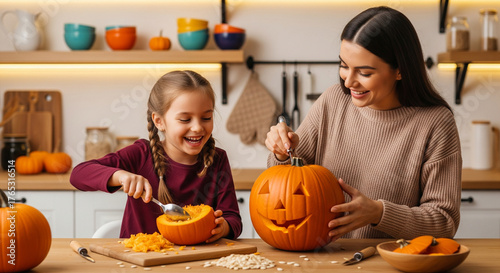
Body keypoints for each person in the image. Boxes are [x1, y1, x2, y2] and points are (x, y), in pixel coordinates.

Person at [265, 6, 461, 241]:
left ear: (399, 70)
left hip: (390, 262)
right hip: (324, 259)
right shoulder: (332, 101)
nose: (348, 82)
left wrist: (379, 213)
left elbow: (444, 223)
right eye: (344, 66)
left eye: (364, 73)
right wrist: (281, 154)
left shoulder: (436, 123)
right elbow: (284, 189)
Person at [71, 70, 242, 241]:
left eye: (206, 117)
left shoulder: (218, 160)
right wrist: (120, 176)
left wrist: (223, 227)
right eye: (185, 119)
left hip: (196, 261)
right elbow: (78, 174)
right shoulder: (141, 154)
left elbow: (233, 219)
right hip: (138, 260)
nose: (197, 127)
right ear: (159, 121)